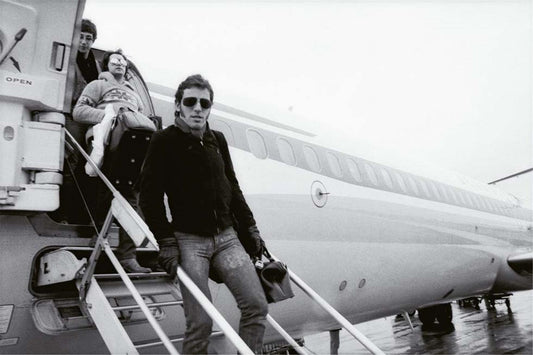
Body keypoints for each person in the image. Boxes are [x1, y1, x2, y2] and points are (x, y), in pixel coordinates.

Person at [139, 74, 268, 353]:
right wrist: (166, 241)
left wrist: (251, 229)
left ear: (210, 107)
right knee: (200, 322)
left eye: (204, 103)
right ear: (178, 106)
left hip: (227, 238)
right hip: (189, 241)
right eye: (190, 102)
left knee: (256, 306)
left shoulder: (216, 141)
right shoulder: (164, 141)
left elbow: (232, 187)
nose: (197, 108)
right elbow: (149, 197)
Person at [73, 50, 151, 273]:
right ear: (106, 66)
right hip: (104, 140)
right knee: (103, 190)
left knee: (132, 197)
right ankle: (98, 240)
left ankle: (128, 256)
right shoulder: (97, 85)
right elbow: (78, 111)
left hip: (130, 145)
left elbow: (140, 118)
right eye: (114, 61)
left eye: (122, 61)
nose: (119, 63)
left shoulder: (134, 94)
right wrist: (109, 117)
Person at [54, 18, 102, 225]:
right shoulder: (67, 61)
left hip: (89, 120)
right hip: (72, 116)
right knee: (70, 163)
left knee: (90, 166)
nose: (84, 41)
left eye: (88, 38)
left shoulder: (97, 65)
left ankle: (82, 215)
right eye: (81, 36)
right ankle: (61, 213)